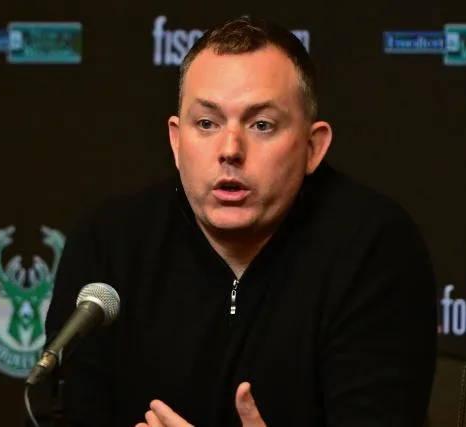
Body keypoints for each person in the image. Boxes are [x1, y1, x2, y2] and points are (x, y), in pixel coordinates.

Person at [42, 15, 438, 427]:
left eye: (262, 125)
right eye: (207, 124)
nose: (230, 149)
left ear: (313, 147)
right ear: (176, 141)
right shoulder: (109, 244)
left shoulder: (375, 247)